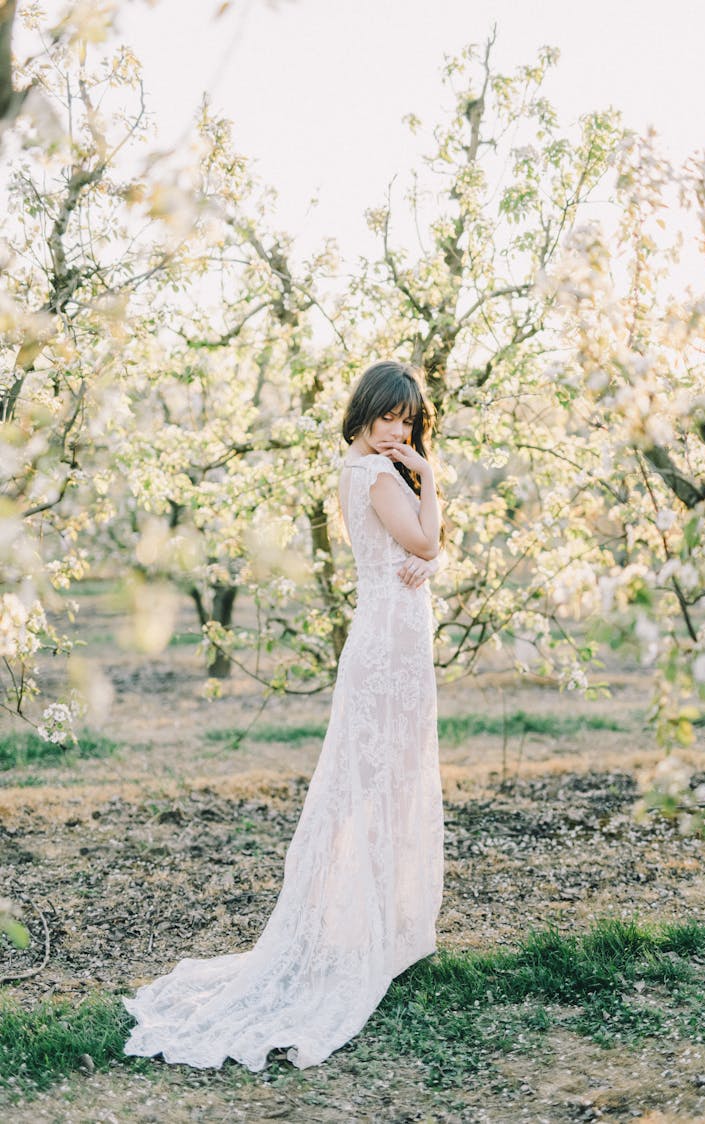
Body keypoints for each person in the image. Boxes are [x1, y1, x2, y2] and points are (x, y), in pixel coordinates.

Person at [123, 359, 445, 1071]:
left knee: (389, 780)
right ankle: (361, 933)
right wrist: (432, 479)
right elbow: (423, 542)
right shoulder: (374, 473)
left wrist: (428, 548)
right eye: (388, 416)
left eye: (408, 420)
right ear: (363, 412)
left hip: (392, 635)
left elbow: (418, 552)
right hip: (387, 644)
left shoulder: (368, 472)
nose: (397, 429)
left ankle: (379, 927)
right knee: (375, 784)